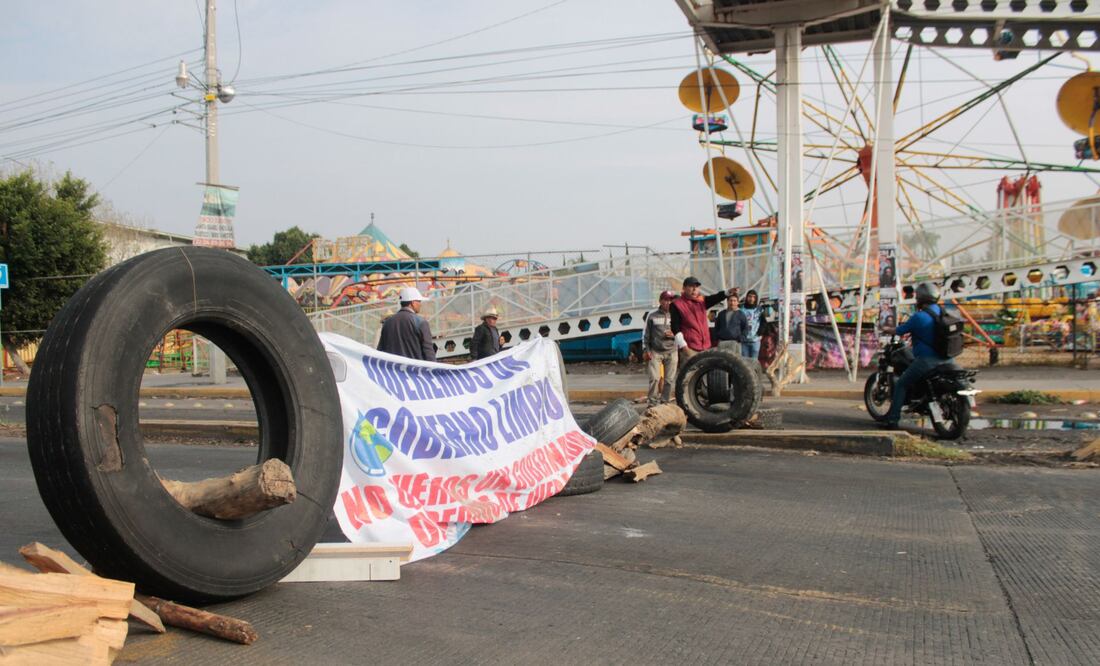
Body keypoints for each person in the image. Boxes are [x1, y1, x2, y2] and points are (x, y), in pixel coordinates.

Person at [881, 282, 956, 429]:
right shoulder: (944, 313)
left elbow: (900, 330)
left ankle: (892, 420)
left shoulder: (919, 317)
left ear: (920, 298)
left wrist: (885, 328)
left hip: (927, 361)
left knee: (902, 384)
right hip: (948, 359)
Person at [670, 276, 737, 364]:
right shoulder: (676, 304)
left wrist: (727, 292)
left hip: (706, 348)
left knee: (705, 375)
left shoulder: (701, 301)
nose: (694, 289)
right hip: (690, 349)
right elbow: (675, 328)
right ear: (684, 288)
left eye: (697, 286)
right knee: (690, 376)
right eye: (691, 286)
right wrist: (684, 347)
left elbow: (715, 298)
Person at [377, 287, 436, 361]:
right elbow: (428, 351)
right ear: (413, 303)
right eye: (419, 301)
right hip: (414, 371)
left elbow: (380, 351)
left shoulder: (387, 323)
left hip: (393, 370)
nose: (420, 304)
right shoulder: (421, 323)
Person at [643, 290, 678, 405]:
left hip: (672, 351)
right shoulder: (652, 316)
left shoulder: (677, 316)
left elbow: (684, 333)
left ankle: (665, 402)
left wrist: (673, 335)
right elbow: (646, 334)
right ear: (660, 301)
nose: (668, 303)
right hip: (655, 352)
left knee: (669, 380)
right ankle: (652, 403)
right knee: (654, 378)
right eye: (666, 300)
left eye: (670, 300)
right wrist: (646, 350)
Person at [740, 289, 767, 361]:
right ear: (747, 297)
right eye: (750, 296)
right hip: (744, 341)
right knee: (744, 362)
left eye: (753, 297)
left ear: (756, 298)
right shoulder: (741, 309)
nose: (751, 299)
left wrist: (760, 332)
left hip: (755, 340)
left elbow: (764, 322)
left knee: (754, 361)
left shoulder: (759, 309)